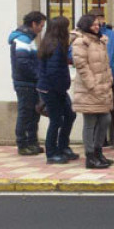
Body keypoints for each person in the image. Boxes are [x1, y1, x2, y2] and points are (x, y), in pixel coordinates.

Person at [70, 14, 114, 169]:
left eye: (98, 24)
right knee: (90, 123)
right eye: (94, 24)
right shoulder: (81, 42)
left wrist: (109, 80)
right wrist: (92, 85)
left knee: (105, 120)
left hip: (103, 88)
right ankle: (90, 156)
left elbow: (105, 64)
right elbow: (81, 65)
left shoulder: (100, 40)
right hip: (89, 89)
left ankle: (98, 151)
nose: (98, 26)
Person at [37, 16, 78, 164]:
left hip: (55, 89)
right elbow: (53, 72)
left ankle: (62, 147)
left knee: (70, 115)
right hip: (52, 90)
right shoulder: (55, 46)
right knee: (56, 120)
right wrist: (61, 90)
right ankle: (52, 153)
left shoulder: (53, 42)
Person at [88, 8, 114, 152]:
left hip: (111, 80)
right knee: (94, 113)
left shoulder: (113, 36)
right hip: (92, 82)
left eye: (99, 17)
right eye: (94, 18)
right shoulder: (84, 37)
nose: (97, 21)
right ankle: (98, 140)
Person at [9, 11, 47, 156]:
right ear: (34, 24)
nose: (41, 29)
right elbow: (23, 63)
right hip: (25, 83)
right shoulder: (22, 40)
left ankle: (32, 142)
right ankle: (23, 144)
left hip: (30, 82)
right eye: (41, 26)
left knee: (33, 114)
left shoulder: (28, 39)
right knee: (25, 114)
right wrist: (38, 76)